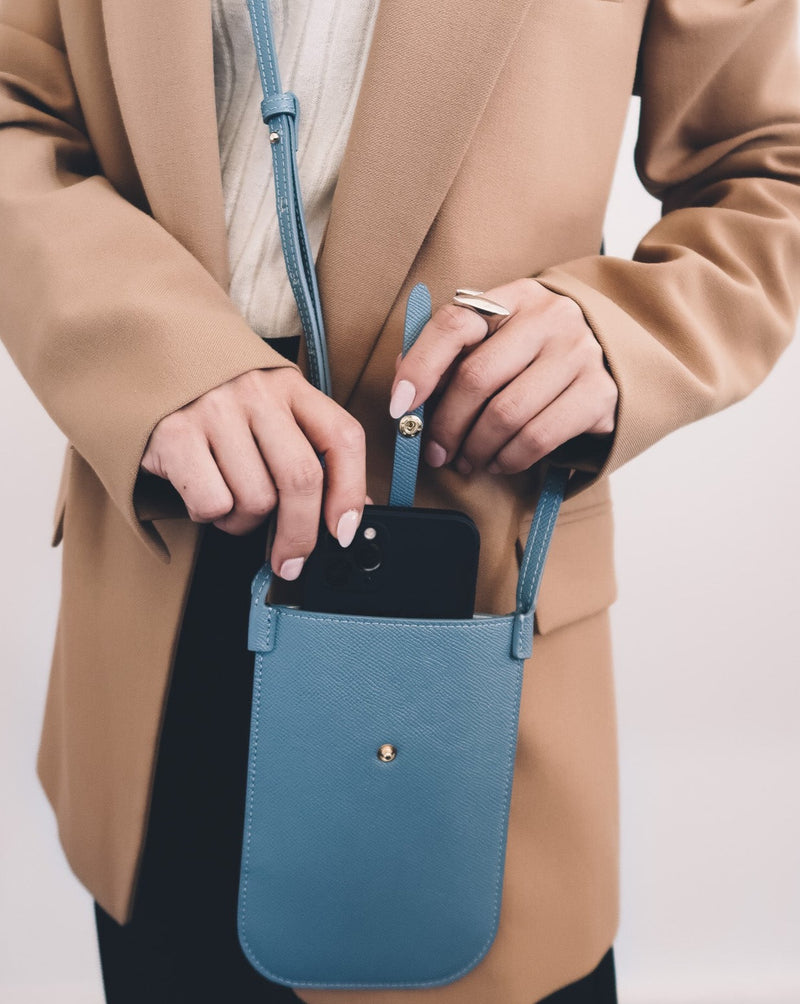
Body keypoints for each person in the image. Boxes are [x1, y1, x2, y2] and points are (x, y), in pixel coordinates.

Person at [1, 0, 799, 1002]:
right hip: (164, 580)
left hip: (469, 594)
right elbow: (17, 107)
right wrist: (152, 356)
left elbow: (767, 160)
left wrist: (618, 334)